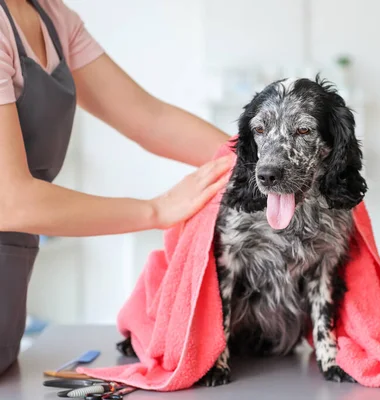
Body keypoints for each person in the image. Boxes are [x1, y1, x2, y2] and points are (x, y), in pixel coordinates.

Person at [0, 0, 234, 375]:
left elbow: (148, 118)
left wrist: (257, 160)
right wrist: (155, 210)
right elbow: (11, 201)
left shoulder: (52, 17)